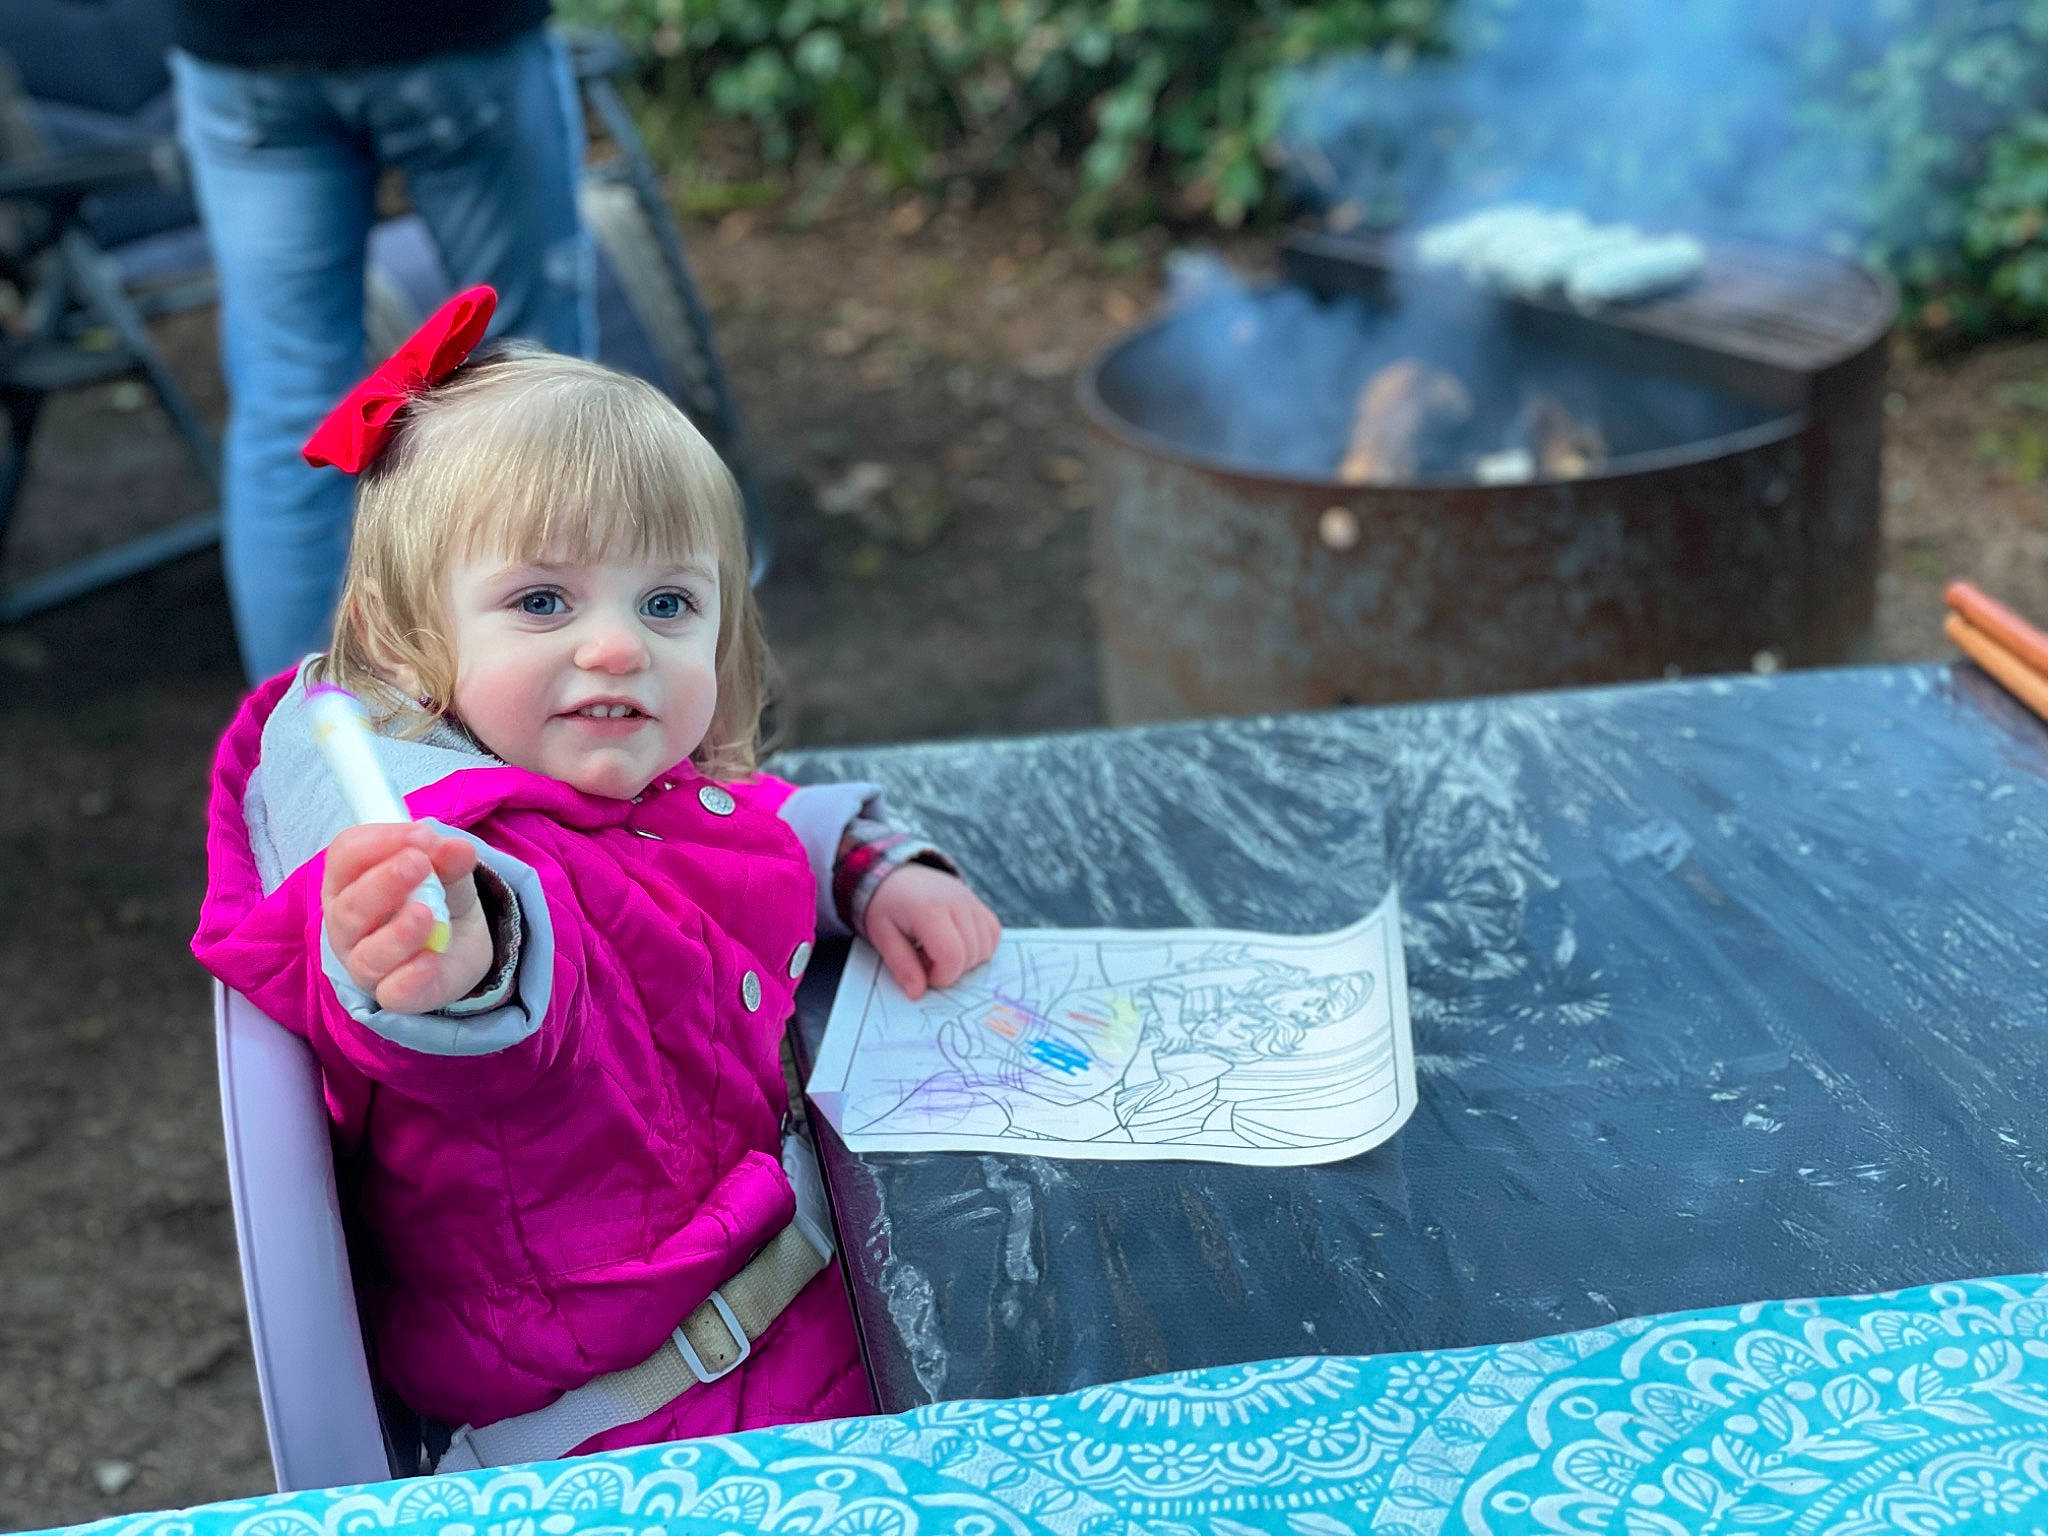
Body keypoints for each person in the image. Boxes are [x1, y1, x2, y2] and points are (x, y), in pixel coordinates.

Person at [191, 288, 1002, 1462]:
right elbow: (493, 1001)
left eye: (666, 602)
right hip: (660, 1427)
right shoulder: (476, 863)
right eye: (541, 600)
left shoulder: (597, 782)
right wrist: (444, 958)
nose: (619, 644)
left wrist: (864, 863)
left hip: (773, 1306)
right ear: (407, 636)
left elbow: (726, 825)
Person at [169, 0, 595, 683]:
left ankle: (308, 737)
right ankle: (566, 701)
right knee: (539, 384)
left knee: (290, 413)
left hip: (242, 45)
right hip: (449, 36)